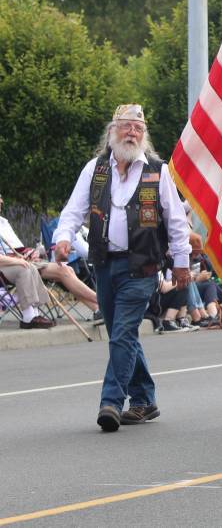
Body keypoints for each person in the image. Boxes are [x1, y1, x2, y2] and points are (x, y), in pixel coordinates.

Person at [54, 104, 192, 432]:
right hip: (104, 265)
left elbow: (175, 221)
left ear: (144, 136)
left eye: (137, 129)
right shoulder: (95, 169)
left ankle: (111, 402)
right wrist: (63, 238)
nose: (131, 133)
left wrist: (182, 262)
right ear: (112, 131)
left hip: (142, 267)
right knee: (123, 335)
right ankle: (144, 399)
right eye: (126, 127)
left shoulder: (158, 171)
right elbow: (73, 210)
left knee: (122, 334)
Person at [0, 192, 100, 324]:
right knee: (46, 270)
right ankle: (103, 302)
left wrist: (31, 252)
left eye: (1, 198)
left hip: (24, 261)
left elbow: (18, 248)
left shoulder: (3, 222)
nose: (1, 202)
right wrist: (18, 260)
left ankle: (98, 309)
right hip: (8, 266)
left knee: (65, 269)